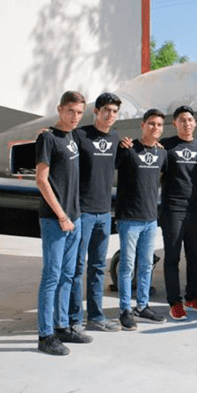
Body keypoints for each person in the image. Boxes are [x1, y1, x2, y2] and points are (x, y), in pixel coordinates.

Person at [35, 90, 91, 355]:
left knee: (68, 275)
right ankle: (45, 335)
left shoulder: (72, 137)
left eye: (79, 112)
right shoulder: (48, 138)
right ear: (60, 110)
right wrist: (61, 215)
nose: (75, 117)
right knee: (52, 276)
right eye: (71, 112)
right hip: (55, 220)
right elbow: (42, 180)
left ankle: (62, 327)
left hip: (75, 218)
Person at [68, 92, 122, 333]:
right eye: (106, 111)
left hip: (104, 213)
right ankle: (73, 318)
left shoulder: (116, 140)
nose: (110, 115)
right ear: (96, 112)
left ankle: (96, 316)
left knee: (98, 267)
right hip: (83, 213)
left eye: (114, 112)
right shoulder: (80, 135)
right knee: (77, 267)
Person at [160, 105, 197, 320]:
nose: (187, 123)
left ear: (195, 123)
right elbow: (155, 175)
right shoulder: (165, 146)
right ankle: (175, 302)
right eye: (182, 120)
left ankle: (192, 297)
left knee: (195, 257)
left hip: (195, 210)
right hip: (172, 209)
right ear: (175, 123)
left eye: (190, 119)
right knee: (172, 256)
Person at [115, 109, 168, 330]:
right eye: (152, 124)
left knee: (146, 265)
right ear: (143, 125)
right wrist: (121, 146)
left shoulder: (162, 154)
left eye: (159, 125)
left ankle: (142, 306)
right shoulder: (128, 149)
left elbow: (161, 176)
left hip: (149, 219)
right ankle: (125, 310)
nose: (155, 128)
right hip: (129, 218)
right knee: (127, 266)